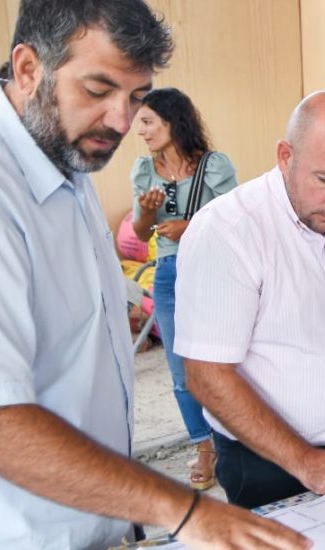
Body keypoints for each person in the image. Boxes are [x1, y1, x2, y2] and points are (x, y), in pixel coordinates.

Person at [0, 1, 306, 547]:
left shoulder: (63, 163)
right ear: (28, 69)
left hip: (86, 523)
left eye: (138, 98)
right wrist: (185, 510)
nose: (122, 121)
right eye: (98, 91)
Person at [176, 91, 325, 509]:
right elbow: (206, 374)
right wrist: (302, 460)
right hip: (264, 457)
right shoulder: (227, 231)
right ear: (285, 156)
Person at [130, 87, 238, 491]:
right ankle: (206, 447)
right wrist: (147, 211)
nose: (139, 130)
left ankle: (236, 441)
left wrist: (189, 226)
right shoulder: (143, 171)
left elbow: (235, 221)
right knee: (181, 372)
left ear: (173, 121)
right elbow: (142, 234)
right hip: (169, 273)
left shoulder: (213, 166)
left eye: (147, 121)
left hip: (212, 271)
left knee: (223, 361)